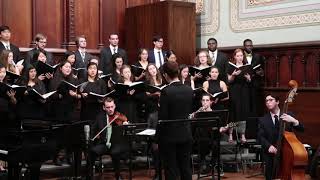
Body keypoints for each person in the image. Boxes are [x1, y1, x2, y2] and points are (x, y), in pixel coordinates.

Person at [157, 61, 193, 180]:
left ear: (166, 75)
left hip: (170, 136)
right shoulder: (188, 89)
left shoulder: (166, 92)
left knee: (171, 169)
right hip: (186, 133)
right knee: (185, 167)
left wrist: (157, 137)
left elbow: (163, 117)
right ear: (178, 72)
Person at [258, 94, 304, 180]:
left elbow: (302, 129)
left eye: (271, 100)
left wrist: (294, 121)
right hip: (271, 156)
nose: (268, 102)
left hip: (287, 155)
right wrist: (269, 146)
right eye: (266, 101)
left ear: (277, 102)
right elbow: (260, 137)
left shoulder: (288, 115)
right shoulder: (263, 120)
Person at [89, 97, 129, 180]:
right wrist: (92, 138)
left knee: (115, 153)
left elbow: (126, 133)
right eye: (108, 107)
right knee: (92, 152)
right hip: (104, 143)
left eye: (112, 106)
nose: (110, 109)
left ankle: (118, 176)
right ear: (104, 108)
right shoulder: (99, 117)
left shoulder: (119, 116)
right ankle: (89, 176)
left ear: (115, 106)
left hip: (116, 144)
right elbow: (93, 130)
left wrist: (125, 126)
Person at [227, 48, 251, 143]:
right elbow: (229, 80)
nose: (240, 57)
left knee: (243, 112)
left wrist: (248, 78)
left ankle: (242, 134)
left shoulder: (247, 66)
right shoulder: (231, 66)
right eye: (238, 56)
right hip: (234, 90)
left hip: (244, 90)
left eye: (241, 56)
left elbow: (249, 80)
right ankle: (230, 134)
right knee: (233, 112)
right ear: (234, 57)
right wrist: (233, 75)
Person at [243, 39, 265, 117]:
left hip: (255, 84)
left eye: (250, 45)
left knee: (255, 105)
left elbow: (262, 70)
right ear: (244, 46)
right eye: (247, 45)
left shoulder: (258, 56)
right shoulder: (240, 56)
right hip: (244, 84)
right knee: (245, 105)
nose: (249, 47)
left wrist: (260, 73)